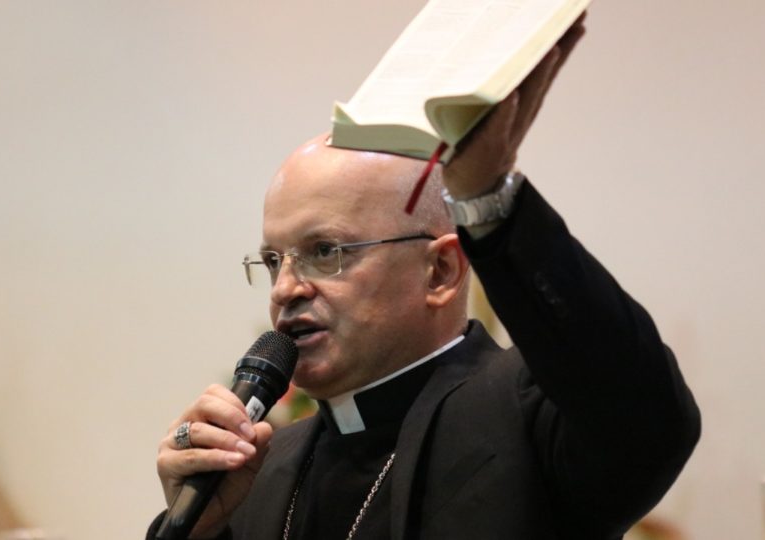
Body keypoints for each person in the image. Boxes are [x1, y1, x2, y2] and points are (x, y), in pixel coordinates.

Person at [149, 18, 700, 540]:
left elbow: (647, 412)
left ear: (440, 271)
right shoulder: (258, 473)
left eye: (324, 251)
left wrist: (488, 197)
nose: (285, 288)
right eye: (274, 260)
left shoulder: (529, 420)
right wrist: (191, 532)